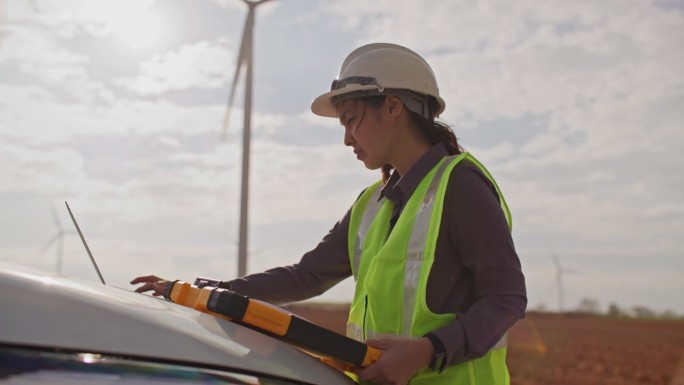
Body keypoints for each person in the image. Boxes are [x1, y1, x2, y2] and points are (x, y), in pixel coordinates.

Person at [132, 43, 526, 385]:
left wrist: (427, 351)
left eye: (351, 120)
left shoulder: (461, 184)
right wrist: (209, 293)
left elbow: (506, 298)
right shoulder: (371, 203)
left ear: (392, 106)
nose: (346, 138)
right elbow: (307, 276)